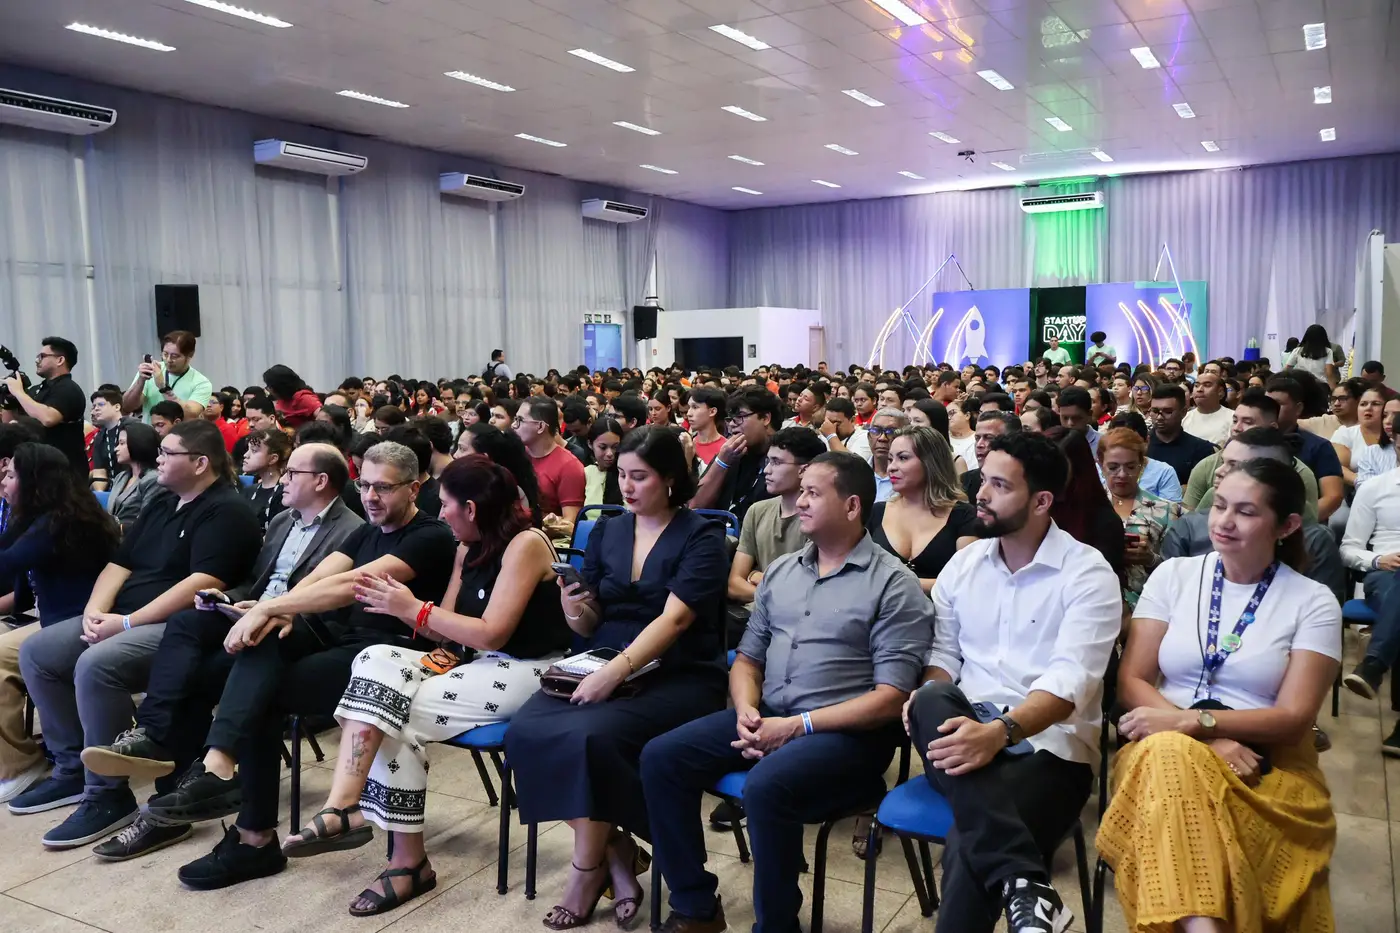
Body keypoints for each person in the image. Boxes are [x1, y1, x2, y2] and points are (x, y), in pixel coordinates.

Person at [134, 440, 456, 889]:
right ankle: (218, 771)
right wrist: (272, 608)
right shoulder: (367, 531)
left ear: (414, 488)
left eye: (383, 487)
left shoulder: (430, 536)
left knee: (259, 690)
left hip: (391, 660)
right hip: (344, 642)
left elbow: (353, 583)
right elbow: (319, 577)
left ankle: (250, 831)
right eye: (364, 485)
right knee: (252, 650)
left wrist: (272, 608)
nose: (370, 496)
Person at [642, 452, 931, 933]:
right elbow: (748, 660)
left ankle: (777, 926)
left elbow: (891, 697)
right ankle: (695, 907)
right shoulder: (781, 572)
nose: (800, 502)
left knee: (766, 785)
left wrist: (796, 727)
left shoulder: (893, 584)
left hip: (849, 736)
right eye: (801, 491)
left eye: (813, 493)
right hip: (772, 714)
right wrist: (746, 710)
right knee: (661, 757)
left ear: (853, 506)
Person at [277, 455, 571, 914]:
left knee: (391, 712)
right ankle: (348, 807)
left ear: (471, 508)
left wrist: (413, 608)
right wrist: (399, 607)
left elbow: (493, 633)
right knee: (371, 660)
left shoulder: (526, 543)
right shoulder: (465, 548)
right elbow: (443, 631)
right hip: (472, 662)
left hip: (528, 667)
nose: (442, 512)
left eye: (447, 503)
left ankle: (403, 858)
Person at [76, 443, 363, 859]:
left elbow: (335, 603)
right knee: (187, 624)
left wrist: (269, 611)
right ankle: (156, 739)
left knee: (199, 677)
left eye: (292, 474)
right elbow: (258, 582)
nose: (283, 480)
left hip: (295, 628)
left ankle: (172, 802)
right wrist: (226, 598)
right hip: (251, 615)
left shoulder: (351, 529)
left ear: (320, 481)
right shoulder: (282, 521)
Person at [1100, 460, 1340, 933]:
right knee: (1169, 757)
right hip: (1158, 748)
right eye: (1220, 505)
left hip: (1266, 761)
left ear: (1287, 525)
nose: (1224, 521)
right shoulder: (1174, 576)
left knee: (1172, 770)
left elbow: (1295, 718)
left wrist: (1194, 723)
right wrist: (1204, 738)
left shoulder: (1312, 601)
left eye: (1246, 512)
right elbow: (1132, 681)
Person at [506, 427, 729, 930]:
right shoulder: (608, 531)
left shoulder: (702, 537)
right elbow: (590, 623)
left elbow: (676, 621)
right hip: (602, 658)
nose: (626, 486)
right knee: (525, 733)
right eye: (622, 474)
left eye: (640, 476)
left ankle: (586, 872)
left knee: (590, 740)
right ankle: (615, 849)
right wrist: (573, 607)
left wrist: (616, 671)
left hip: (678, 669)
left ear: (669, 478)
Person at [907, 431, 1121, 933]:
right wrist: (934, 691)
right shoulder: (964, 565)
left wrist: (999, 733)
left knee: (969, 842)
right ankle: (1026, 883)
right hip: (964, 735)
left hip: (1050, 749)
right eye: (984, 480)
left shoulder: (1087, 574)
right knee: (930, 696)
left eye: (999, 486)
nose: (980, 494)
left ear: (1041, 501)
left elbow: (1071, 682)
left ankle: (1018, 878)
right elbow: (943, 656)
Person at [11, 422, 260, 847]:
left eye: (168, 453)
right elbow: (119, 564)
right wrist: (95, 610)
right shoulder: (162, 501)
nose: (157, 459)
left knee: (96, 665)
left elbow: (202, 582)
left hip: (179, 626)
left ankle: (107, 794)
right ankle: (72, 769)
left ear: (200, 463)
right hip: (124, 615)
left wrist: (127, 623)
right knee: (37, 652)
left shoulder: (226, 511)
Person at [0, 444, 119, 803]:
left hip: (84, 623)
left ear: (34, 481)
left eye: (11, 474)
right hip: (52, 621)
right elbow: (22, 593)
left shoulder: (60, 521)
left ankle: (21, 765)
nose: (3, 481)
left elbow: (6, 563)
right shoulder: (36, 518)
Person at [868, 426, 977, 594]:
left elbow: (966, 581)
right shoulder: (876, 512)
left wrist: (898, 583)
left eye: (903, 458)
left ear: (931, 462)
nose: (891, 467)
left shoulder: (963, 515)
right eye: (890, 459)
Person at [726, 427, 826, 611]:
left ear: (804, 470)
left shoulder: (818, 518)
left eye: (776, 462)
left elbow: (804, 592)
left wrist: (756, 577)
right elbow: (734, 585)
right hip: (756, 617)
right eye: (767, 461)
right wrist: (772, 591)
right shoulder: (757, 511)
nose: (767, 470)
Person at [1099, 427, 1184, 608]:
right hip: (1094, 600)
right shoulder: (1087, 505)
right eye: (1113, 467)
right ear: (1100, 464)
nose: (1122, 474)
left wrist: (1149, 559)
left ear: (1142, 466)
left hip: (1146, 605)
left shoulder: (1166, 510)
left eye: (1130, 467)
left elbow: (1180, 572)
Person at [1045, 426, 1126, 579]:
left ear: (1078, 469)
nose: (1045, 472)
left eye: (1054, 466)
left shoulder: (1103, 522)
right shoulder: (1030, 509)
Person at [690, 387, 780, 523]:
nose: (732, 424)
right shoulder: (729, 455)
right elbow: (695, 507)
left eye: (740, 417)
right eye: (730, 418)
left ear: (765, 418)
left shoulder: (785, 459)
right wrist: (721, 462)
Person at [3, 337, 88, 478]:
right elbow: (10, 424)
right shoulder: (37, 390)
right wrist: (7, 400)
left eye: (42, 356)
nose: (37, 361)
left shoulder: (69, 389)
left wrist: (18, 392)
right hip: (36, 469)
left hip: (64, 473)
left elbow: (48, 418)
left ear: (60, 360)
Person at [1266, 375, 1344, 521]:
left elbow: (1333, 496)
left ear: (1298, 409)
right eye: (1266, 403)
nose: (1270, 409)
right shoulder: (1247, 441)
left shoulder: (1319, 447)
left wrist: (1297, 524)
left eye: (1278, 404)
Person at [514, 397, 586, 539]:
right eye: (515, 419)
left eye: (520, 420)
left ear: (540, 426)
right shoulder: (516, 455)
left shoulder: (569, 466)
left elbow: (569, 524)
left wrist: (542, 527)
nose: (514, 425)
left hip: (543, 541)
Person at [122, 331, 213, 423]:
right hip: (149, 431)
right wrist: (141, 381)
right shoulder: (152, 369)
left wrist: (164, 388)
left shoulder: (201, 383)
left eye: (175, 356)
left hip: (181, 432)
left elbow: (190, 415)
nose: (169, 360)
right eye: (165, 354)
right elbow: (127, 407)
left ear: (190, 355)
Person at [1146, 384, 1217, 484]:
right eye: (1155, 411)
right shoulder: (1139, 446)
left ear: (1183, 412)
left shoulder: (1201, 449)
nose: (1159, 417)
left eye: (1168, 411)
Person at [1105, 412, 1182, 502]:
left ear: (1146, 442)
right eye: (1117, 444)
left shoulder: (1164, 473)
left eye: (1131, 444)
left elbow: (1172, 509)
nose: (1124, 451)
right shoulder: (1095, 470)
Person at [105, 422, 163, 533]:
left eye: (122, 443)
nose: (116, 449)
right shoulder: (121, 477)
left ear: (138, 444)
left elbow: (147, 522)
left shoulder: (153, 479)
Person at [960, 411, 1020, 501]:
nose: (979, 444)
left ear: (1011, 440)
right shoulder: (964, 482)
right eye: (977, 438)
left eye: (989, 438)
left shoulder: (1027, 481)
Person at [1333, 382, 1385, 485]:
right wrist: (1364, 482)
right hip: (1356, 489)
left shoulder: (1395, 436)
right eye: (1363, 404)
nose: (1368, 408)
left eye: (1375, 404)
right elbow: (1338, 467)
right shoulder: (1345, 433)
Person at [242, 428, 292, 532]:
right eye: (248, 449)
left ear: (273, 458)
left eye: (254, 451)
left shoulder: (284, 494)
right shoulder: (248, 491)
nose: (246, 455)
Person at [1354, 400, 1400, 487]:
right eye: (1385, 416)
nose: (1387, 421)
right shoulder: (1371, 452)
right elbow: (1363, 486)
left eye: (1397, 416)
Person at [88, 389, 125, 491]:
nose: (96, 409)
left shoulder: (131, 428)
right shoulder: (100, 436)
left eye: (101, 404)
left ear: (117, 407)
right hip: (112, 488)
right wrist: (100, 493)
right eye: (94, 406)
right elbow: (99, 473)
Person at [868, 408, 908, 504]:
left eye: (891, 432)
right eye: (876, 430)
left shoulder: (911, 480)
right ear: (868, 437)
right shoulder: (856, 473)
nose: (882, 438)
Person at [262, 365, 320, 429]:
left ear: (278, 387)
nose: (268, 389)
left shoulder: (303, 398)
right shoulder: (281, 400)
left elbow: (324, 417)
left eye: (269, 387)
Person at [1182, 371, 1232, 446]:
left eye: (1207, 385)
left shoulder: (1233, 418)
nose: (1199, 389)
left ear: (1220, 392)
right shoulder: (1184, 418)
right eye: (1196, 385)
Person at [686, 387, 727, 474]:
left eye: (695, 407)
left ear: (712, 411)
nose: (689, 413)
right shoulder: (687, 444)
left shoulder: (726, 449)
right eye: (689, 407)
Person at [819, 396, 872, 463]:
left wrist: (831, 436)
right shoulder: (823, 437)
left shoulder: (865, 437)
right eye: (828, 422)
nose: (831, 427)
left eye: (837, 423)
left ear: (852, 420)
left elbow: (854, 464)